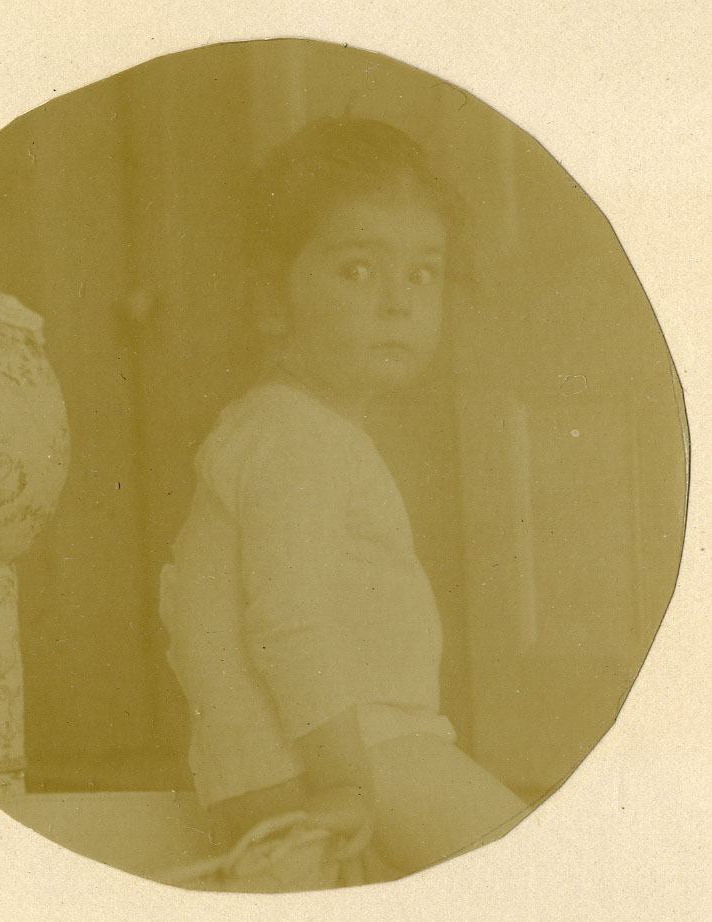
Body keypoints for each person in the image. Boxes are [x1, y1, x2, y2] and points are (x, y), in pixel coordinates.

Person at [159, 116, 528, 883]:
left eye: (422, 273)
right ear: (273, 299)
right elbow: (286, 620)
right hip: (345, 754)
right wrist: (344, 783)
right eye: (358, 270)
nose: (397, 302)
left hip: (285, 760)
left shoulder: (284, 426)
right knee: (534, 872)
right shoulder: (295, 437)